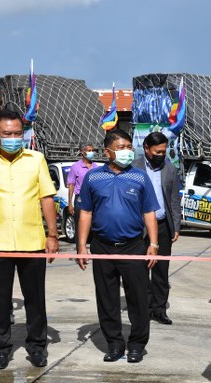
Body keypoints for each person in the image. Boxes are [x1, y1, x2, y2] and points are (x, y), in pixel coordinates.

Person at [0, 109, 59, 370]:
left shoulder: (36, 159)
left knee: (35, 299)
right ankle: (1, 348)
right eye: (7, 133)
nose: (13, 138)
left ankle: (37, 347)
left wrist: (52, 235)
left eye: (18, 133)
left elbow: (46, 198)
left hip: (32, 241)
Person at [76, 129, 160, 363]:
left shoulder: (140, 177)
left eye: (129, 147)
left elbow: (149, 212)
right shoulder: (93, 178)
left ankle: (137, 345)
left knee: (138, 298)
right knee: (107, 299)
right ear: (107, 152)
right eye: (121, 147)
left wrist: (153, 244)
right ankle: (114, 344)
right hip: (102, 246)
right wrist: (81, 245)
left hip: (133, 246)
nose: (127, 152)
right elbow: (86, 213)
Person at [134, 131, 181, 325]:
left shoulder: (170, 169)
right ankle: (144, 307)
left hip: (163, 226)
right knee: (140, 270)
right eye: (157, 152)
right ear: (146, 148)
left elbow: (174, 199)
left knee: (161, 270)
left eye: (164, 151)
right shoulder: (133, 168)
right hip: (139, 227)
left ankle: (159, 309)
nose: (161, 155)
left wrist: (176, 225)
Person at [67, 143, 98, 248]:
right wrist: (70, 203)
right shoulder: (75, 167)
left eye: (92, 150)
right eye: (89, 150)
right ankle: (80, 250)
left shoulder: (96, 167)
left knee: (95, 226)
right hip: (80, 199)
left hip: (94, 198)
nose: (91, 153)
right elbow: (71, 185)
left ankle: (95, 250)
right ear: (82, 152)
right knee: (80, 226)